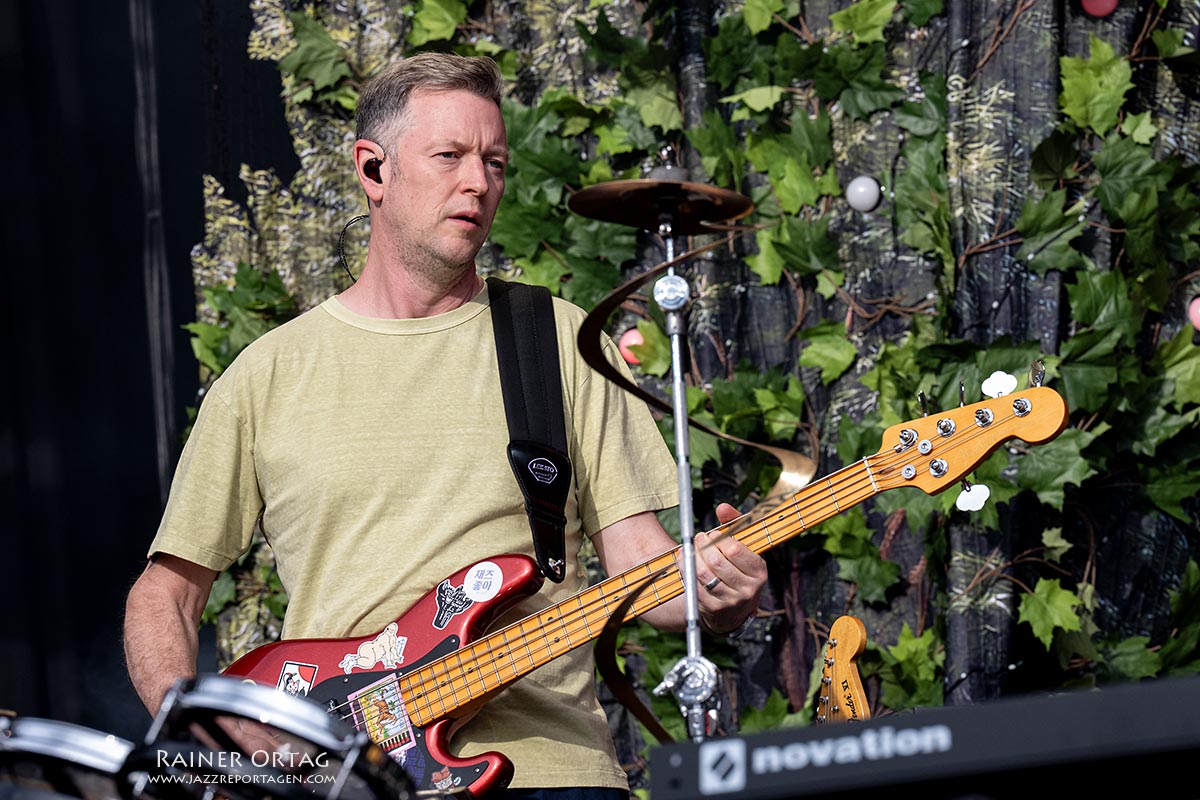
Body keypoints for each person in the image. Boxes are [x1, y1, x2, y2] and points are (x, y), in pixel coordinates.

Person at [122, 52, 767, 800]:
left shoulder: (557, 341)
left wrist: (718, 592)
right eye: (450, 156)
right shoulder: (266, 375)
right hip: (342, 781)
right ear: (373, 170)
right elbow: (163, 598)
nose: (478, 183)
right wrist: (204, 729)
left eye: (494, 162)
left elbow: (644, 574)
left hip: (548, 777)